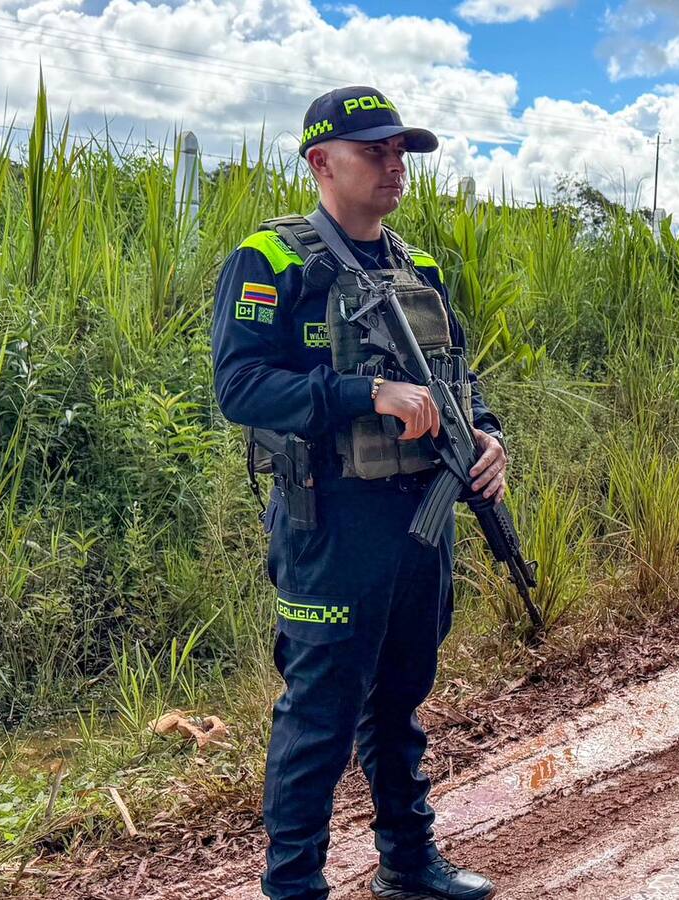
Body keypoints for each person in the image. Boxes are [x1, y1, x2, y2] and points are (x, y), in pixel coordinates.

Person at [211, 86, 503, 900]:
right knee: (321, 716)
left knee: (401, 699)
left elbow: (459, 382)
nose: (393, 166)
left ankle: (408, 863)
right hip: (333, 522)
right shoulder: (272, 260)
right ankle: (294, 886)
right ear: (320, 161)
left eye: (400, 151)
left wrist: (489, 437)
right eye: (374, 150)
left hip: (420, 521)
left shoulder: (422, 268)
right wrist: (359, 395)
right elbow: (238, 386)